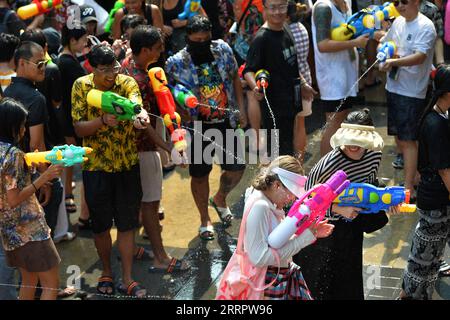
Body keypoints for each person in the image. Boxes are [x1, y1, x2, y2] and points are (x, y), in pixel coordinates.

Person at [71, 44, 150, 298]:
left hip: (127, 164)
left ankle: (127, 277)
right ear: (92, 68)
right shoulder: (81, 87)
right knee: (101, 226)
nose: (111, 74)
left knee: (127, 223)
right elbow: (79, 128)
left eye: (114, 67)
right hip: (96, 167)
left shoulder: (126, 83)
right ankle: (106, 271)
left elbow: (136, 103)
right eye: (104, 70)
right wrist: (102, 121)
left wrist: (140, 115)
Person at [293, 109, 391, 300]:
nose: (353, 146)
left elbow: (370, 184)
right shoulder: (328, 165)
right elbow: (304, 204)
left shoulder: (374, 156)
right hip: (324, 229)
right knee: (322, 283)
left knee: (349, 280)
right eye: (350, 139)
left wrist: (383, 201)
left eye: (359, 141)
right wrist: (338, 209)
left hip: (352, 227)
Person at [165, 15, 246, 240]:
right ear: (188, 38)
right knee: (200, 174)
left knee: (237, 168)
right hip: (197, 127)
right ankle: (204, 219)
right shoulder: (176, 62)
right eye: (195, 40)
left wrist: (242, 109)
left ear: (210, 36)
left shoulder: (222, 50)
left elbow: (234, 78)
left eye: (204, 39)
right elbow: (169, 95)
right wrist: (180, 120)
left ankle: (220, 197)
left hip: (226, 120)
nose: (201, 43)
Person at [121, 25, 189, 272]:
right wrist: (168, 146)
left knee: (134, 203)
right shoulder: (139, 80)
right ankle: (160, 257)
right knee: (150, 204)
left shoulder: (125, 66)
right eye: (158, 48)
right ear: (146, 50)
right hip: (144, 149)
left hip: (126, 149)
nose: (162, 52)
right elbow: (142, 123)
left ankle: (132, 249)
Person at [223, 155, 334, 299]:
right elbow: (259, 258)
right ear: (276, 185)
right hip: (266, 286)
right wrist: (302, 240)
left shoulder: (266, 199)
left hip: (277, 278)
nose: (293, 199)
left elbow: (276, 241)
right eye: (291, 193)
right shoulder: (260, 207)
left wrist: (309, 233)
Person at [0, 97, 63, 300]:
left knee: (29, 280)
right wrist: (44, 177)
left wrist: (30, 170)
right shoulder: (14, 154)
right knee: (51, 285)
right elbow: (14, 198)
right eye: (22, 125)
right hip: (30, 229)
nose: (24, 130)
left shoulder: (4, 151)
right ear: (11, 125)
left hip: (9, 230)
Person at [399, 64, 450, 300]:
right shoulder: (435, 123)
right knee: (423, 258)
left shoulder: (440, 116)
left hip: (438, 197)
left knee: (432, 256)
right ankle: (407, 296)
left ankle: (418, 294)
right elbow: (444, 171)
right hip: (436, 200)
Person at [244, 0, 316, 157]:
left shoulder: (285, 27)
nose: (277, 12)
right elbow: (248, 70)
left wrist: (303, 83)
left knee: (288, 147)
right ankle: (277, 180)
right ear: (265, 9)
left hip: (291, 99)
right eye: (273, 7)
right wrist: (255, 87)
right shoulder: (262, 39)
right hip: (274, 106)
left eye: (281, 7)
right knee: (278, 153)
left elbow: (293, 63)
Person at [379, 0, 436, 196]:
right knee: (401, 138)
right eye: (397, 2)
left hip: (412, 92)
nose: (401, 6)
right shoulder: (398, 22)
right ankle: (416, 176)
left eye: (404, 1)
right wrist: (383, 48)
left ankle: (409, 187)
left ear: (416, 1)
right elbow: (387, 40)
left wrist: (393, 61)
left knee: (409, 140)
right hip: (393, 87)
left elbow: (420, 57)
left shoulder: (426, 26)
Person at [310, 0, 372, 156]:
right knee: (333, 123)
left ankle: (337, 164)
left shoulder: (347, 2)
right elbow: (322, 45)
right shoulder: (324, 7)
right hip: (332, 77)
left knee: (342, 121)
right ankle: (325, 170)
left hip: (347, 72)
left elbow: (348, 31)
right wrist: (355, 42)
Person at [57, 24, 88, 215]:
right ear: (72, 40)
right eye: (83, 40)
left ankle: (67, 194)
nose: (85, 43)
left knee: (70, 160)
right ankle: (76, 201)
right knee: (76, 160)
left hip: (67, 119)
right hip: (71, 120)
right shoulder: (68, 63)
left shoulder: (64, 59)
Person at [287, 0, 314, 164]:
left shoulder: (286, 32)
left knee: (292, 126)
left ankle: (292, 162)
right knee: (301, 124)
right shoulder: (302, 28)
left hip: (294, 83)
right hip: (306, 78)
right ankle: (299, 161)